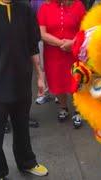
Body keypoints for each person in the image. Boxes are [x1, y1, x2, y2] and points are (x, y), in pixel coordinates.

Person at [0, 0, 48, 179]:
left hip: (21, 81)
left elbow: (32, 46)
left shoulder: (25, 8)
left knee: (22, 127)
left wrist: (40, 75)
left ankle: (27, 162)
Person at [37, 0, 86, 128]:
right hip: (53, 54)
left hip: (74, 52)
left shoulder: (78, 5)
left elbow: (85, 29)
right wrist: (61, 43)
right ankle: (63, 107)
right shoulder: (45, 7)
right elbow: (42, 33)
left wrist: (73, 43)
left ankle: (78, 110)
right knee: (58, 81)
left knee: (76, 80)